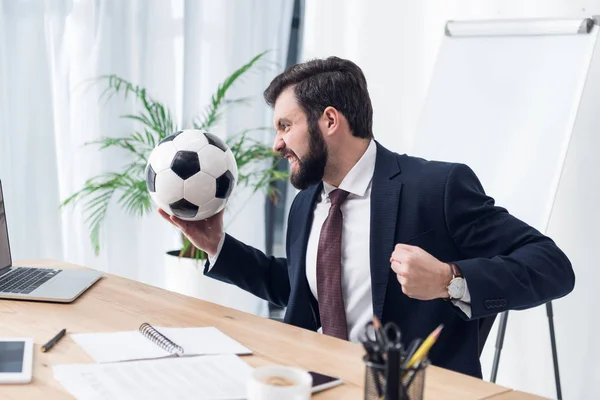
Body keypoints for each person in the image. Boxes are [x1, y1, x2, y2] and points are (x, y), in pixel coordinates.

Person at [159, 56, 575, 378]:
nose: (277, 143)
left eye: (285, 125)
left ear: (329, 119)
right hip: (319, 381)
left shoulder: (436, 187)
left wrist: (451, 280)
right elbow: (302, 288)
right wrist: (216, 245)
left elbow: (553, 267)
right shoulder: (307, 204)